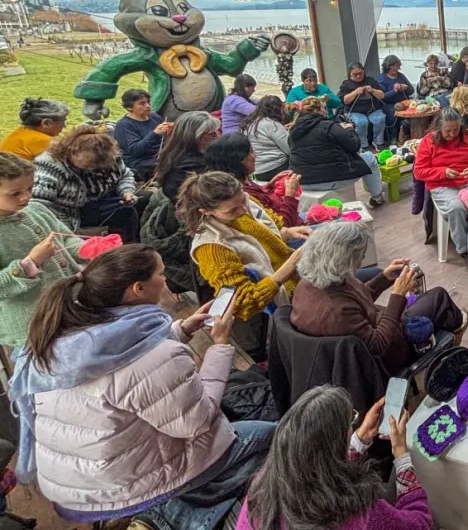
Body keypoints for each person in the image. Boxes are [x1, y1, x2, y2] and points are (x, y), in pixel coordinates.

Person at [9, 244, 274, 527]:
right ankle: (165, 518)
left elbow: (126, 361)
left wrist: (182, 330)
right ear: (138, 289)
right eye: (160, 274)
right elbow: (199, 422)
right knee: (272, 437)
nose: (166, 279)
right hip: (115, 491)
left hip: (72, 482)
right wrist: (219, 345)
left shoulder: (65, 334)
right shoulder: (156, 355)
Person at [237, 385, 431, 530]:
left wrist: (358, 441)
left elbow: (322, 470)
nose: (353, 425)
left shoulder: (261, 487)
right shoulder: (361, 514)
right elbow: (419, 523)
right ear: (336, 443)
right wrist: (401, 455)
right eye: (351, 420)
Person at [291, 222, 466, 373]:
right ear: (343, 261)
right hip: (386, 355)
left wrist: (384, 278)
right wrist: (397, 295)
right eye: (358, 258)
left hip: (371, 330)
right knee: (439, 297)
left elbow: (356, 302)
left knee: (430, 303)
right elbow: (379, 346)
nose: (360, 262)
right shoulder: (336, 312)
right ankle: (450, 342)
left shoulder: (309, 283)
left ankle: (445, 333)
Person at [179, 171, 308, 321]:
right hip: (284, 302)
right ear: (206, 211)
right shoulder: (211, 248)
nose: (243, 210)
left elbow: (264, 237)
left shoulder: (243, 202)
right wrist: (290, 265)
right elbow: (244, 304)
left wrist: (287, 232)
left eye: (243, 201)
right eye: (232, 210)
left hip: (298, 277)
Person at [0, 152, 84, 349]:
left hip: (71, 305)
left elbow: (66, 238)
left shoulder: (37, 209)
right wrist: (31, 262)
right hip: (33, 326)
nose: (26, 196)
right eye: (15, 193)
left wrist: (88, 249)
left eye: (30, 188)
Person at [413, 108, 468, 272]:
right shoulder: (428, 141)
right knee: (456, 207)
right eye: (448, 130)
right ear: (439, 127)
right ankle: (465, 250)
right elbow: (419, 172)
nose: (452, 134)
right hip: (442, 185)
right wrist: (443, 172)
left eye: (456, 129)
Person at [31, 126, 141, 241]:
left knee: (140, 201)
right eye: (88, 163)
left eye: (97, 164)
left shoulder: (110, 158)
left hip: (100, 201)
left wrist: (127, 191)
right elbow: (39, 205)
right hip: (68, 213)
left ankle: (130, 242)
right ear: (71, 152)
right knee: (127, 213)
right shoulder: (50, 166)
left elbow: (125, 175)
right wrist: (63, 230)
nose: (92, 167)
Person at [288, 97, 386, 207]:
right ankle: (377, 197)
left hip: (303, 181)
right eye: (323, 108)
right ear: (317, 111)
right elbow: (354, 146)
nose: (325, 111)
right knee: (369, 157)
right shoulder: (328, 126)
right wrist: (350, 129)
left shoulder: (293, 130)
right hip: (332, 177)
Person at [204, 134, 301, 226]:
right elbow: (279, 227)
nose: (255, 156)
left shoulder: (242, 181)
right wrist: (290, 195)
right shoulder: (240, 195)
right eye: (251, 152)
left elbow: (262, 199)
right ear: (239, 161)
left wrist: (270, 186)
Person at [154, 111, 221, 202]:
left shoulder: (173, 154)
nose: (217, 136)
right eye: (212, 134)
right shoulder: (193, 166)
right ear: (198, 136)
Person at [113, 88, 171, 182]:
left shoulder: (154, 117)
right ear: (129, 107)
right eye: (142, 103)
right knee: (170, 166)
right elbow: (136, 150)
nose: (148, 106)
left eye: (148, 102)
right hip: (139, 162)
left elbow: (164, 141)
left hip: (158, 156)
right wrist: (155, 133)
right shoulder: (124, 125)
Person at [240, 95, 291, 181]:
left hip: (255, 169)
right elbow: (289, 149)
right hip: (275, 168)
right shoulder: (272, 124)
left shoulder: (248, 123)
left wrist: (283, 130)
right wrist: (289, 132)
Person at [0, 98, 69, 161]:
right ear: (46, 123)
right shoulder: (44, 141)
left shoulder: (22, 131)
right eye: (63, 121)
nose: (64, 126)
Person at [339, 63, 387, 150]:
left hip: (372, 109)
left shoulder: (370, 80)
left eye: (360, 73)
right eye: (355, 74)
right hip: (354, 111)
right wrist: (355, 92)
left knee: (380, 119)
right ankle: (363, 145)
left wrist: (372, 90)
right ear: (350, 74)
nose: (358, 76)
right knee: (361, 122)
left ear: (364, 72)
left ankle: (378, 142)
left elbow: (382, 95)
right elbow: (345, 100)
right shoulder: (346, 84)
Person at [377, 55, 414, 140]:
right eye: (393, 66)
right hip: (388, 103)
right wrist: (394, 91)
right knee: (392, 112)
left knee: (414, 109)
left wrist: (406, 88)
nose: (395, 68)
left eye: (397, 66)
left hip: (403, 101)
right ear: (387, 66)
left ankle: (409, 134)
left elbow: (411, 90)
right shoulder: (382, 78)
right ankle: (393, 136)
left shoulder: (401, 76)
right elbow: (382, 96)